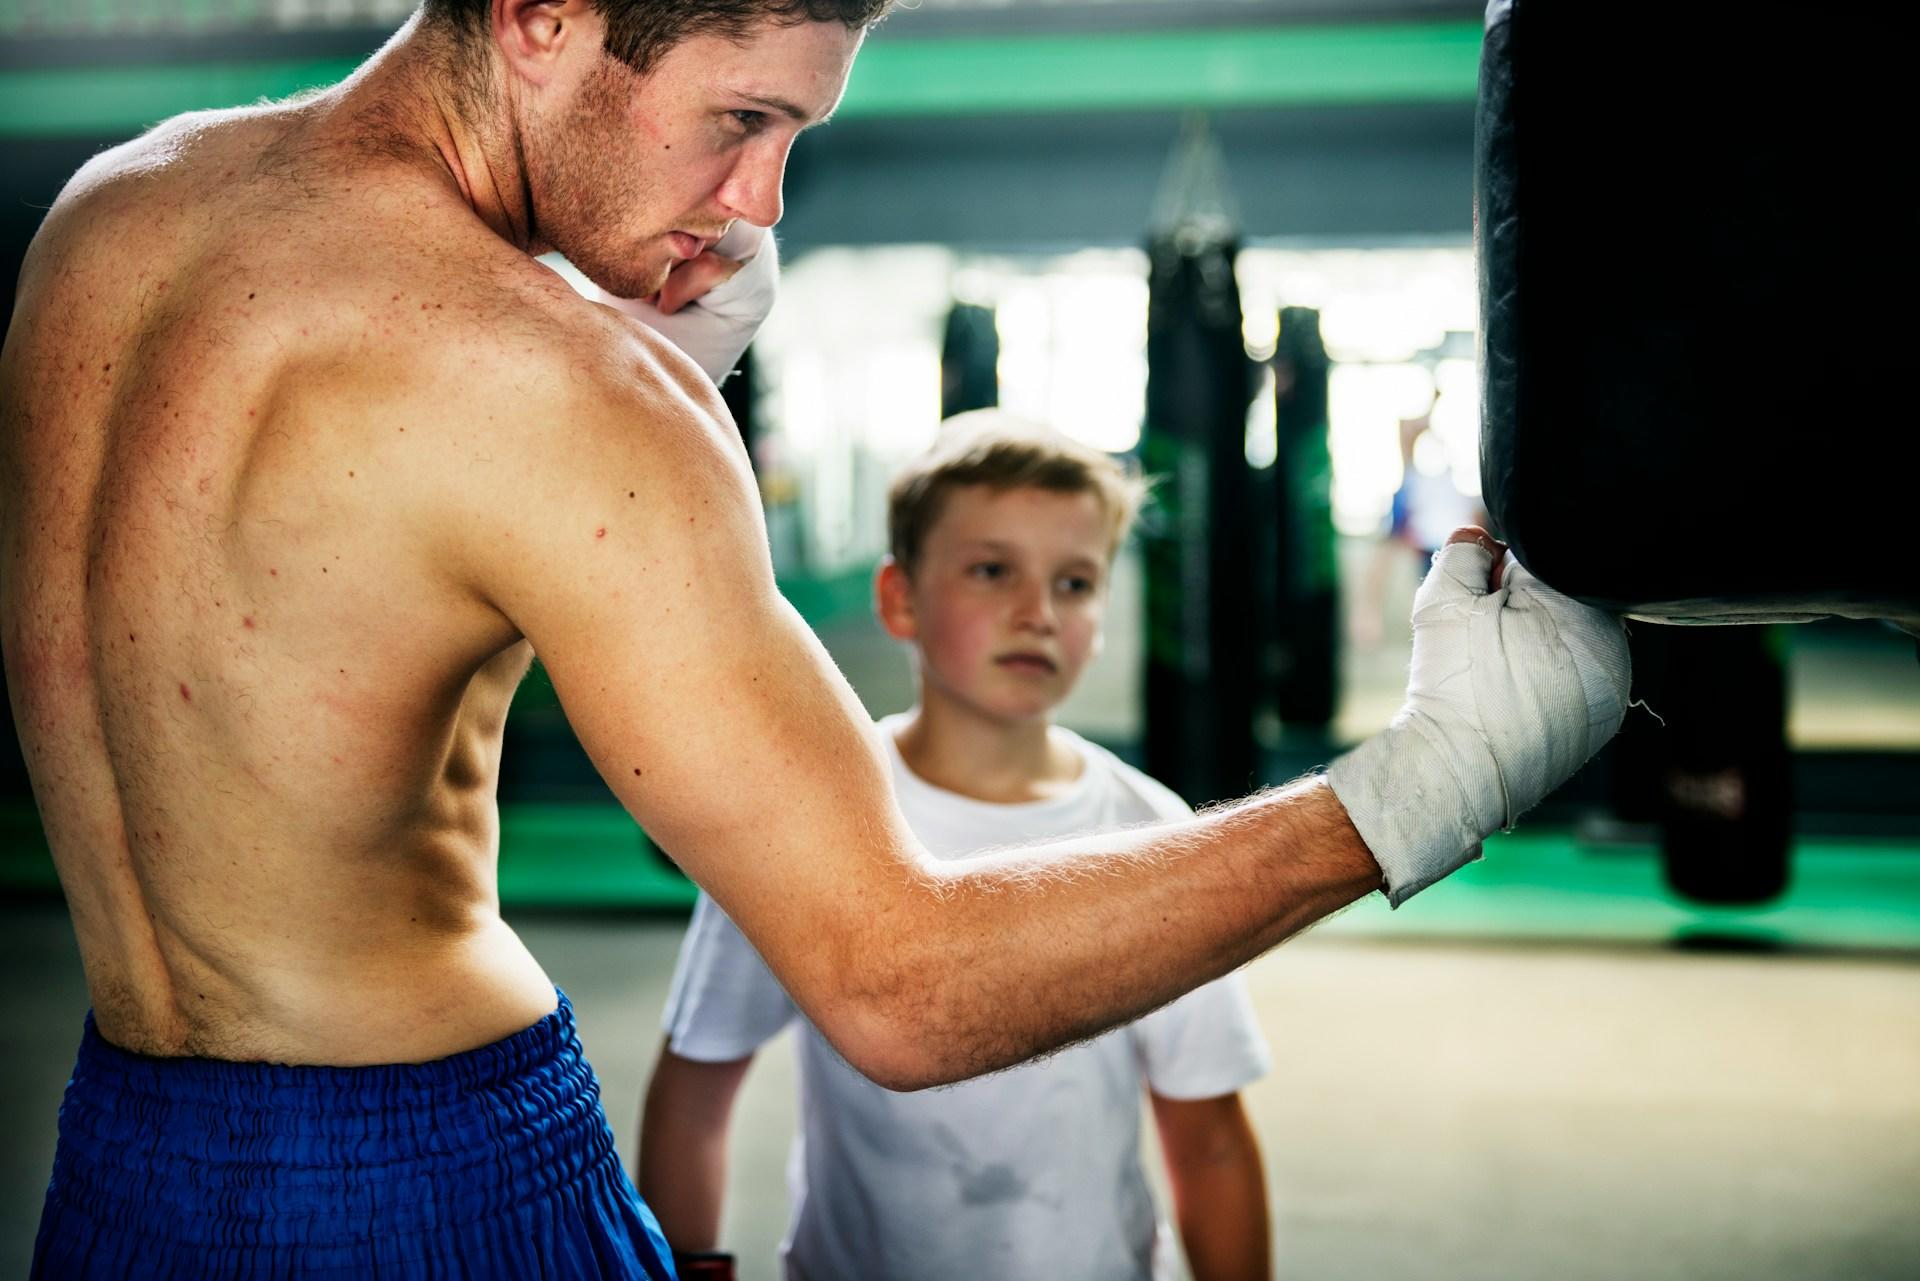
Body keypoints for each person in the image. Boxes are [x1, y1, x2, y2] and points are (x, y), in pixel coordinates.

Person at [0, 0, 1631, 1274]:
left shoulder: (115, 216)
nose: (763, 196)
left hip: (125, 1149)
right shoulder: (570, 396)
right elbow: (896, 986)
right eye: (745, 116)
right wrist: (1419, 788)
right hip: (423, 1173)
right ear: (541, 15)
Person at [642, 415, 1274, 1281]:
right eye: (992, 570)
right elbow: (695, 1093)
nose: (1039, 613)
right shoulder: (805, 821)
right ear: (900, 597)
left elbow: (1208, 1141)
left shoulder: (1151, 828)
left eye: (1076, 582)